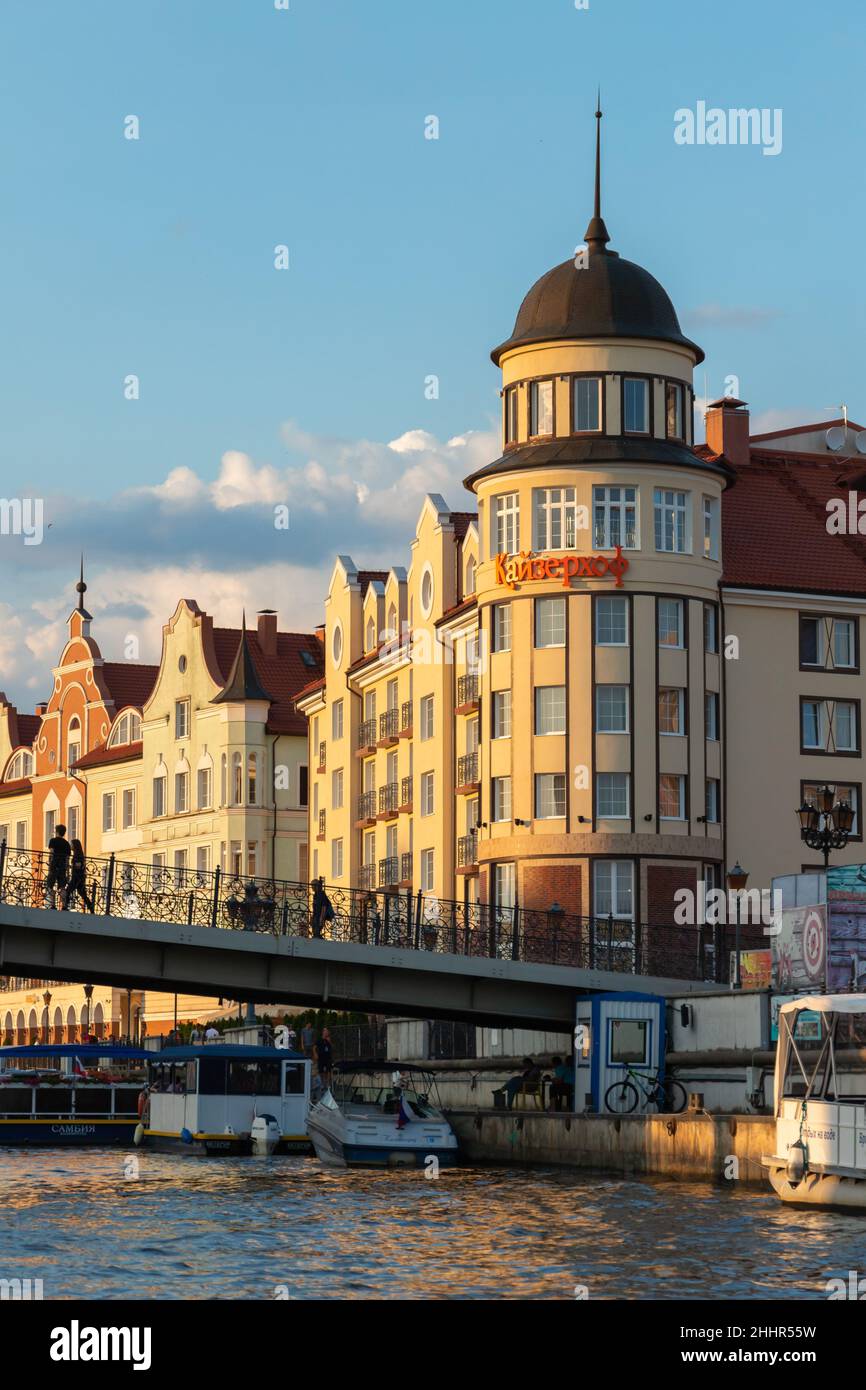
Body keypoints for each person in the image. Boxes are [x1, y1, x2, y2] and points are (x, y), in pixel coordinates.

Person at [62, 839, 94, 913]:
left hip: (76, 877)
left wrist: (71, 866)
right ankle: (91, 908)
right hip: (79, 877)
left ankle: (65, 907)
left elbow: (78, 865)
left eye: (71, 844)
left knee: (68, 891)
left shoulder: (77, 855)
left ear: (75, 846)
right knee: (82, 893)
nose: (70, 846)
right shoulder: (79, 854)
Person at [45, 823, 71, 907]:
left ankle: (52, 905)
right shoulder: (67, 844)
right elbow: (67, 859)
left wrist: (50, 863)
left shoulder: (53, 840)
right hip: (62, 866)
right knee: (62, 887)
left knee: (50, 885)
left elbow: (51, 852)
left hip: (54, 864)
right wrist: (67, 871)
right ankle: (64, 905)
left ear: (57, 832)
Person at [314, 1027, 333, 1092]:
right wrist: (315, 1054)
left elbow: (332, 1047)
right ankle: (322, 1083)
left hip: (328, 1057)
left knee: (328, 1070)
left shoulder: (328, 1039)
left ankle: (328, 1084)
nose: (326, 1032)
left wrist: (329, 1041)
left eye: (327, 1031)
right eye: (325, 1031)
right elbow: (314, 1047)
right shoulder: (319, 1040)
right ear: (323, 1032)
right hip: (321, 1057)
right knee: (321, 1071)